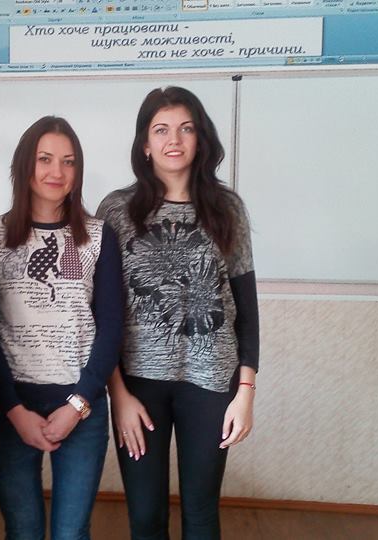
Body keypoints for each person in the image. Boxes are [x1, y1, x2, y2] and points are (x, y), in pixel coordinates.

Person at [96, 86, 260, 540]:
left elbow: (246, 309)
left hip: (212, 383)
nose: (174, 139)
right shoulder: (116, 210)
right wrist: (117, 394)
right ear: (144, 144)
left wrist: (245, 392)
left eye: (186, 129)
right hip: (138, 386)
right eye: (161, 129)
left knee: (202, 514)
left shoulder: (227, 209)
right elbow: (103, 312)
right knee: (146, 516)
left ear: (201, 139)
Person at [0, 116, 123, 540]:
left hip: (81, 404)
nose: (57, 171)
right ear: (25, 165)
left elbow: (111, 327)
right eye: (45, 159)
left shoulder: (98, 236)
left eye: (68, 161)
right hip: (13, 405)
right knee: (22, 529)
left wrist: (78, 404)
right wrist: (13, 409)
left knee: (72, 532)